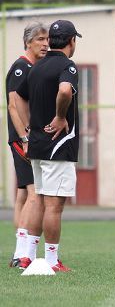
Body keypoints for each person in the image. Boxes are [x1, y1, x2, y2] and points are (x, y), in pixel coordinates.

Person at [16, 19, 82, 272]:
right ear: (71, 41)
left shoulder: (37, 66)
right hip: (58, 146)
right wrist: (60, 116)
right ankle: (52, 261)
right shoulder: (68, 66)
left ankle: (28, 257)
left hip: (37, 145)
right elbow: (65, 91)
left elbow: (18, 97)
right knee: (54, 205)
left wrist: (27, 128)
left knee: (40, 201)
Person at [6, 22, 48, 269]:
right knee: (35, 195)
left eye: (47, 40)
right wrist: (24, 138)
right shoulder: (22, 67)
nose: (45, 44)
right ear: (28, 42)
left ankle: (17, 251)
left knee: (23, 194)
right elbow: (13, 104)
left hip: (24, 139)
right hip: (23, 140)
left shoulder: (34, 67)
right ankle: (22, 254)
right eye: (40, 39)